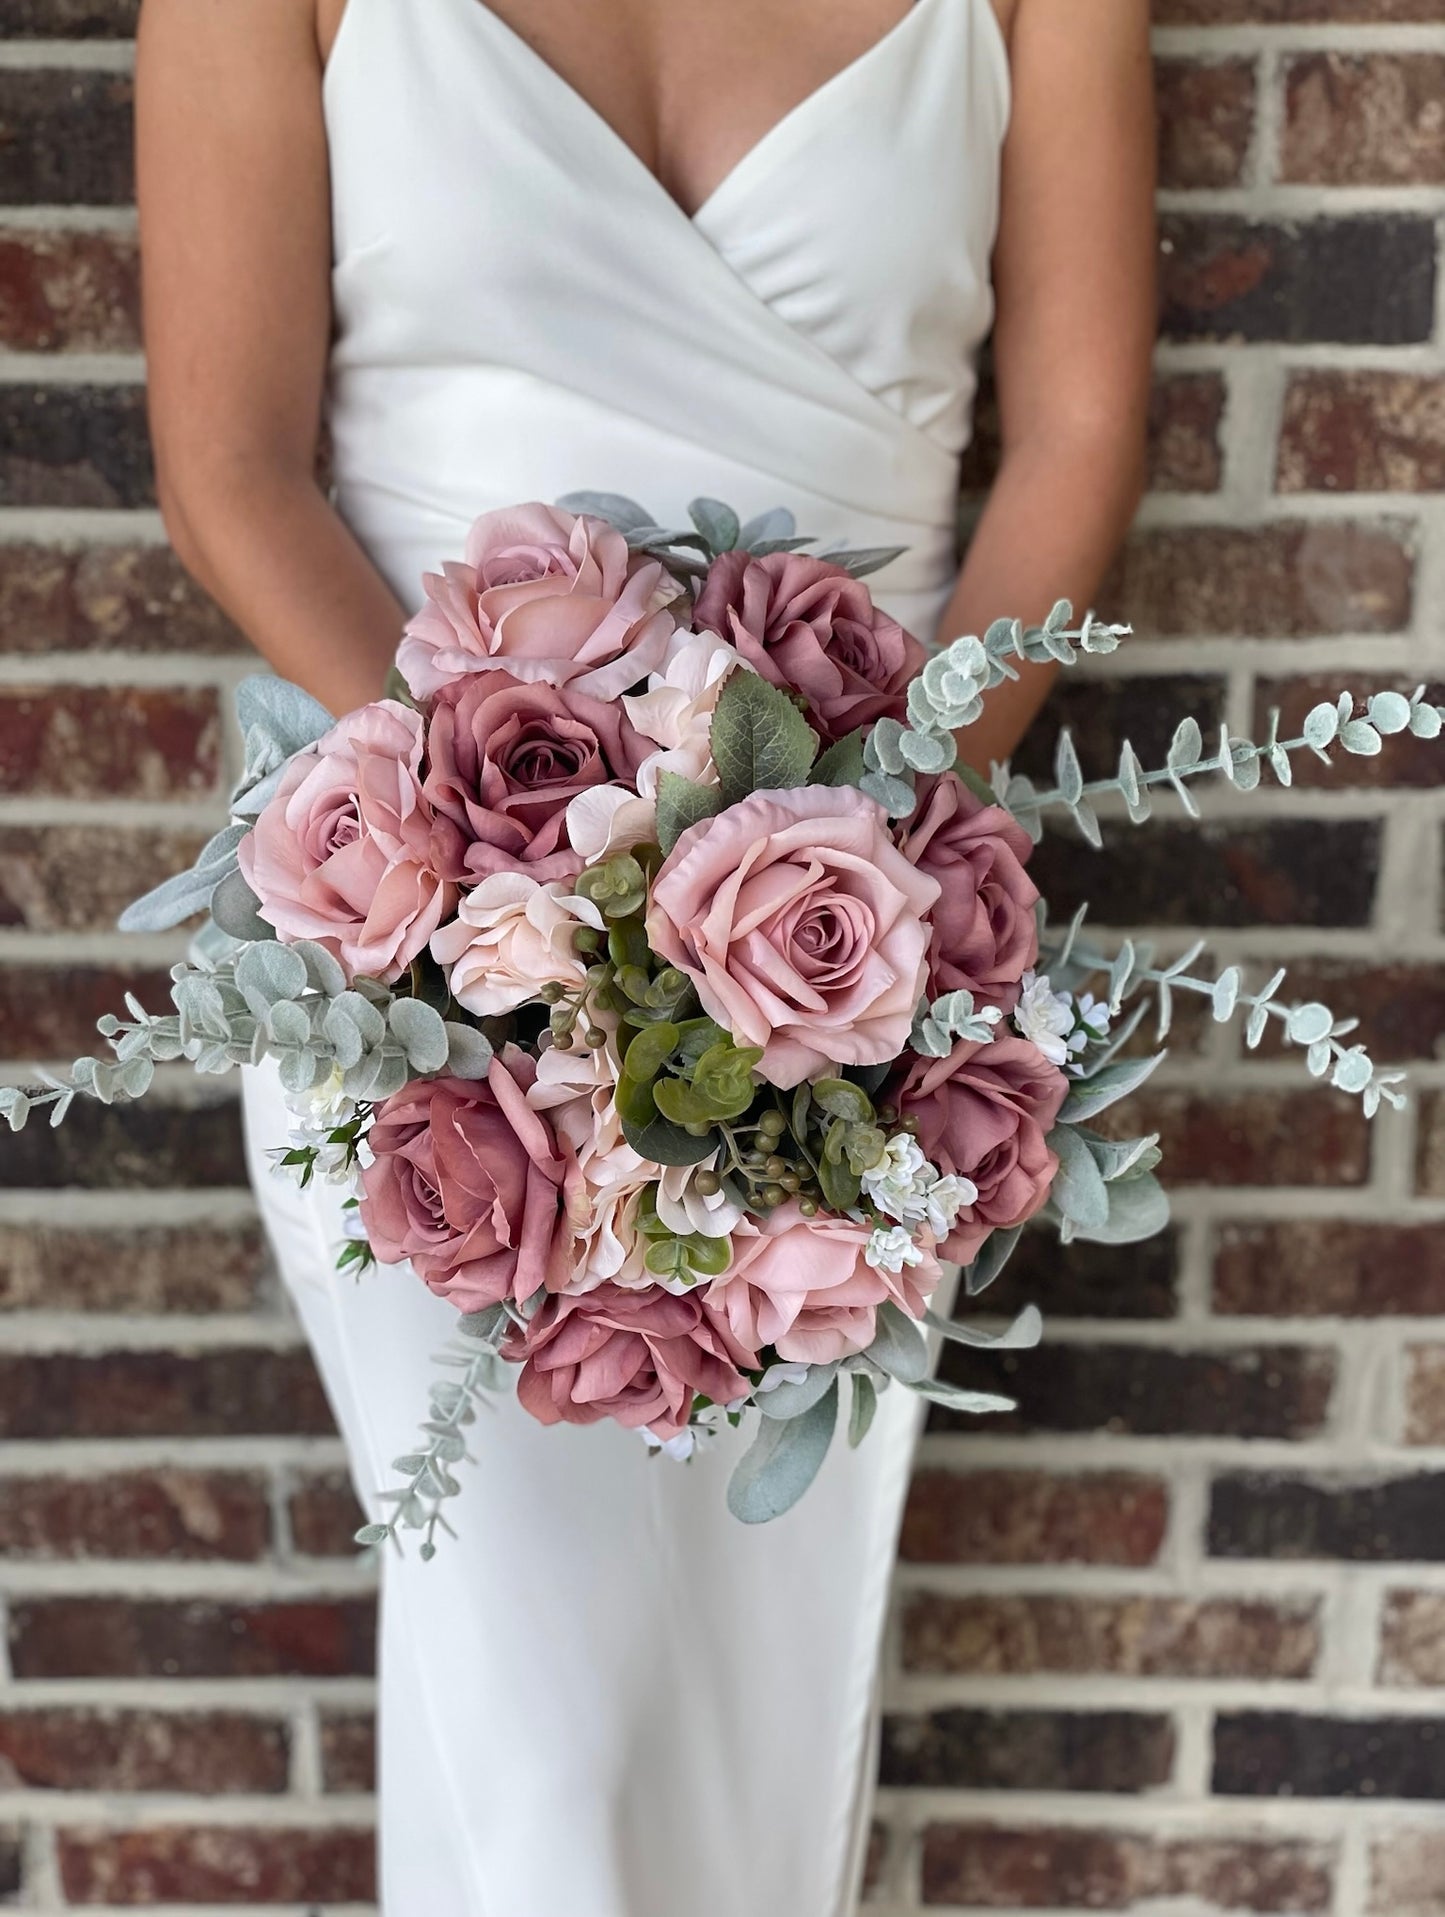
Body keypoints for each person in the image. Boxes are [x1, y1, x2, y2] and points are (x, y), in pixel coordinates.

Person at [135, 3, 1155, 1911]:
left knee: (743, 1730)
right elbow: (232, 471)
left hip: (843, 1000)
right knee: (544, 1759)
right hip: (416, 996)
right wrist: (510, 883)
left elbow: (1077, 446)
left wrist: (847, 859)